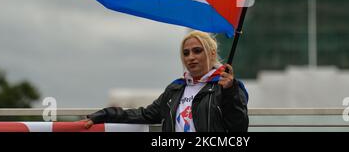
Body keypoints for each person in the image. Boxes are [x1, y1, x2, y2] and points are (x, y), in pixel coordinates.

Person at [84, 30, 249, 132]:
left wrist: (231, 91)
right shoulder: (176, 88)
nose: (191, 57)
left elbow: (239, 128)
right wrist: (104, 115)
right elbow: (144, 115)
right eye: (186, 53)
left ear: (212, 54)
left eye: (197, 51)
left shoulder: (227, 86)